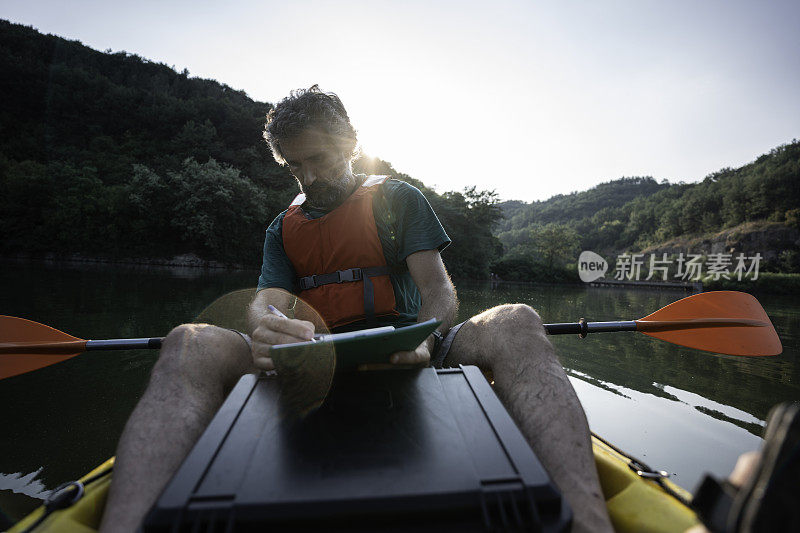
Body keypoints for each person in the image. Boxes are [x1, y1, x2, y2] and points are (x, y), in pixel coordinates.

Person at [99, 86, 613, 533]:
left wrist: (426, 336)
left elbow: (439, 290)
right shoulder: (281, 228)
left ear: (350, 145)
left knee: (518, 320)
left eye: (318, 159)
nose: (308, 176)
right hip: (313, 357)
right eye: (294, 165)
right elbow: (267, 302)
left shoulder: (397, 199)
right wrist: (266, 327)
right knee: (189, 340)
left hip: (412, 347)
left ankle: (586, 523)